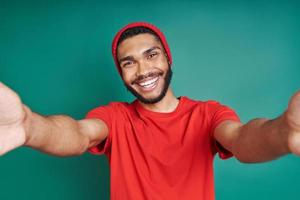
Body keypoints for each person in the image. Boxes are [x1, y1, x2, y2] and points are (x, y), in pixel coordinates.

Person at [0, 22, 299, 200]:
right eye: (129, 62)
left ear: (168, 59)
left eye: (151, 55)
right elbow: (77, 134)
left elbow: (243, 139)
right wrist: (30, 127)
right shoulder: (115, 117)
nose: (143, 70)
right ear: (121, 73)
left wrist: (284, 132)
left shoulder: (207, 114)